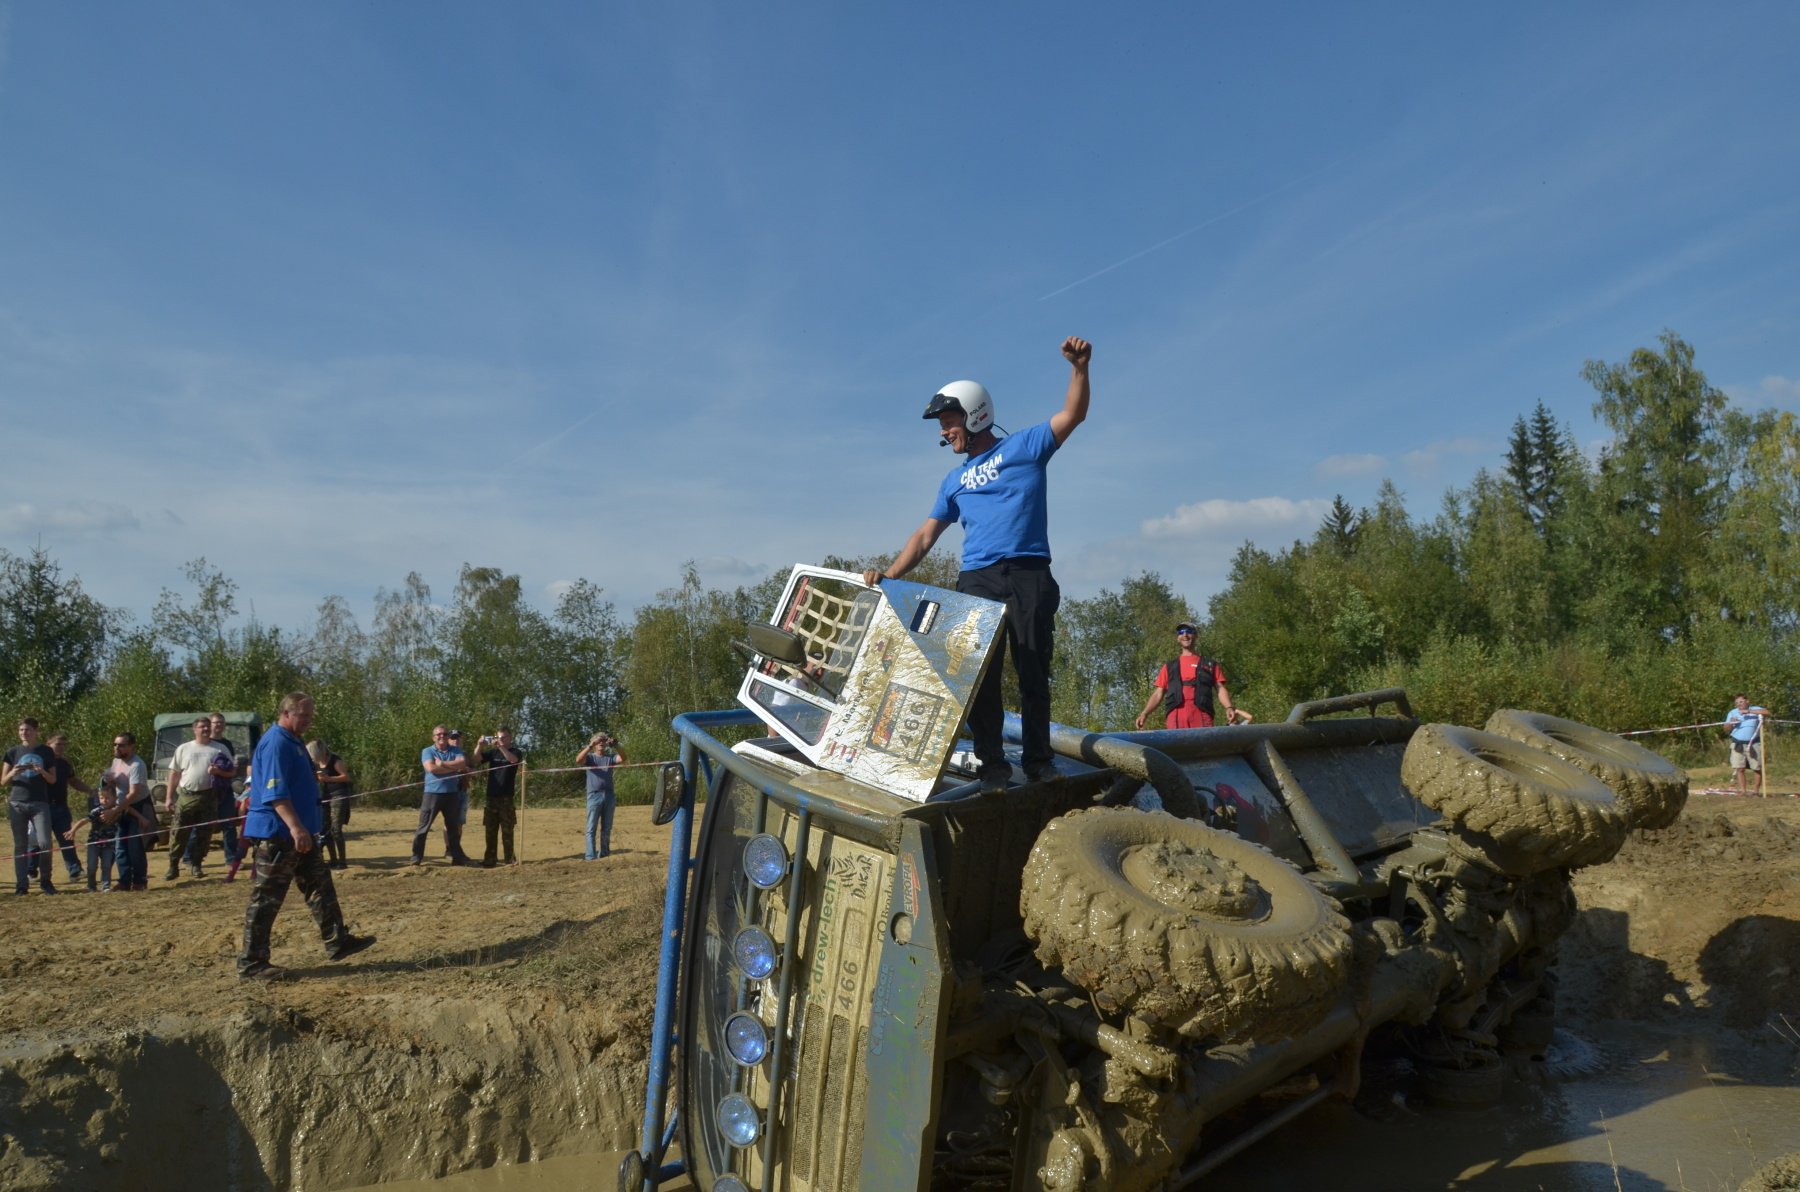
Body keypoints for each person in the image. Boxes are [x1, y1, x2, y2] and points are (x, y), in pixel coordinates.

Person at [862, 336, 1093, 791]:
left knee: (1032, 671)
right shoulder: (953, 480)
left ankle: (1039, 762)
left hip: (1028, 571)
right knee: (979, 677)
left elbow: (1073, 414)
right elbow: (926, 535)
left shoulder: (1026, 446)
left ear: (975, 414)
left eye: (949, 422)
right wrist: (889, 574)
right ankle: (993, 768)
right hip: (978, 580)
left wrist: (1079, 368)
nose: (944, 432)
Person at [239, 692, 374, 981]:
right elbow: (275, 793)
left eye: (310, 715)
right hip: (279, 833)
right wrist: (296, 828)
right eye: (303, 715)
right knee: (266, 899)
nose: (308, 721)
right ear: (286, 713)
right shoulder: (276, 743)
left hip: (300, 832)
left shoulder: (294, 740)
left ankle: (337, 940)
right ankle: (252, 964)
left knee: (320, 885)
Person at [1134, 624, 1250, 730]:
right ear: (1178, 638)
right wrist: (1144, 713)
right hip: (1175, 716)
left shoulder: (1210, 665)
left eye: (1189, 631)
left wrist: (1229, 707)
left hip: (1202, 714)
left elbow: (1220, 689)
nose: (1185, 635)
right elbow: (1158, 693)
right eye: (1181, 632)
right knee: (1177, 746)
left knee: (1203, 745)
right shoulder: (1169, 667)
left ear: (1196, 636)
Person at [165, 717, 232, 880]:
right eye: (202, 727)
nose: (206, 729)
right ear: (194, 729)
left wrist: (218, 772)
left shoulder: (220, 748)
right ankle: (173, 866)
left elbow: (231, 772)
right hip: (187, 796)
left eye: (208, 726)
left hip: (209, 797)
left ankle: (197, 865)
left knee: (204, 833)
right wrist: (169, 797)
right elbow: (174, 774)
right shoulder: (184, 748)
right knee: (179, 832)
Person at [5, 718, 59, 894]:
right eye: (21, 730)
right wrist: (13, 772)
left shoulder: (46, 751)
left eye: (27, 730)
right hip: (17, 802)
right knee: (20, 845)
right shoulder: (12, 752)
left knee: (45, 843)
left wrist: (41, 771)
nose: (24, 733)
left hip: (39, 803)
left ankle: (46, 881)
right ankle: (22, 885)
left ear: (36, 731)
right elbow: (3, 780)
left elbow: (53, 779)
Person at [99, 732, 154, 891]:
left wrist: (114, 811)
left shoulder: (137, 765)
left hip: (138, 807)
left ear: (131, 746)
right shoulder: (116, 761)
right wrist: (109, 781)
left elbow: (133, 793)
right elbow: (116, 784)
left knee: (135, 846)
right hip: (122, 806)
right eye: (115, 744)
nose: (117, 748)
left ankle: (139, 881)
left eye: (121, 745)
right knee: (120, 845)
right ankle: (124, 881)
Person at [187, 712, 240, 873]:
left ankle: (231, 859)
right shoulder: (199, 744)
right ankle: (189, 858)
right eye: (216, 722)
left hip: (223, 790)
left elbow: (232, 767)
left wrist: (221, 771)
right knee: (199, 826)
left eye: (221, 723)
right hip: (204, 791)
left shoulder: (226, 744)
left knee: (229, 824)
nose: (219, 725)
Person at [412, 725, 473, 866]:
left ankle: (457, 858)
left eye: (445, 734)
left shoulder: (456, 750)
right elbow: (431, 768)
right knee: (423, 827)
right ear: (433, 737)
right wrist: (452, 767)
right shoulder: (427, 751)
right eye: (438, 734)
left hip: (452, 794)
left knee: (453, 829)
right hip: (432, 794)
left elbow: (462, 764)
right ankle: (416, 857)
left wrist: (443, 764)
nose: (442, 736)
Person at [42, 732, 96, 884]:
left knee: (67, 838)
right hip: (42, 807)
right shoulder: (41, 761)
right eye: (58, 744)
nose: (61, 747)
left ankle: (74, 870)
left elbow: (73, 781)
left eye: (64, 745)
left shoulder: (65, 763)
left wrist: (89, 790)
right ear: (48, 744)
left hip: (61, 807)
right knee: (40, 842)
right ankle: (31, 870)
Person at [471, 727, 524, 868]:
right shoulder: (493, 753)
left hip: (506, 797)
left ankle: (509, 860)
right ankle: (490, 860)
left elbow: (513, 760)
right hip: (491, 797)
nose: (500, 740)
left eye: (504, 737)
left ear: (510, 738)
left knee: (507, 830)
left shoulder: (515, 751)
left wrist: (501, 747)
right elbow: (476, 760)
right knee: (490, 830)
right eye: (498, 737)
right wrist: (479, 745)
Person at [577, 732, 625, 860]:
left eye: (603, 740)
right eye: (599, 741)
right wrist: (590, 745)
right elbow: (578, 760)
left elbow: (623, 758)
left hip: (609, 796)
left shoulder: (610, 758)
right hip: (594, 796)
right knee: (591, 828)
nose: (601, 743)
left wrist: (616, 745)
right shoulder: (590, 758)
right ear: (594, 743)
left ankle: (604, 853)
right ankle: (590, 856)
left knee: (606, 827)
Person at [307, 740, 353, 870]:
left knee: (336, 829)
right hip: (325, 795)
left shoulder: (335, 760)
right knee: (325, 829)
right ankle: (333, 859)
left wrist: (328, 779)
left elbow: (346, 777)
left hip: (339, 794)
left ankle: (342, 861)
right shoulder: (316, 763)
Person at [1726, 694, 1768, 798]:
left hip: (1754, 743)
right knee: (1739, 768)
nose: (1738, 704)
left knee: (1756, 767)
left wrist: (1748, 712)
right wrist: (1731, 723)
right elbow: (1726, 728)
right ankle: (1743, 791)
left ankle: (1756, 792)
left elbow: (1767, 712)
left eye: (1741, 702)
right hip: (1737, 743)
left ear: (1747, 701)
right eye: (1736, 703)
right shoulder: (1732, 712)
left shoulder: (1755, 709)